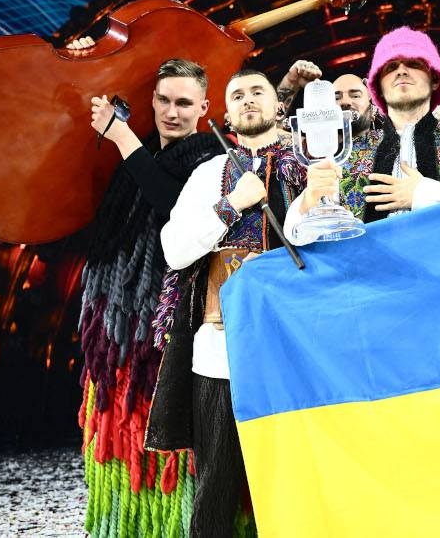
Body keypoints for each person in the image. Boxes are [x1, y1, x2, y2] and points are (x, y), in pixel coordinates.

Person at [148, 68, 306, 537]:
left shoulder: (311, 163)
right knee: (215, 484)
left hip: (296, 349)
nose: (248, 99)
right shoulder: (209, 174)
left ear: (279, 105)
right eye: (237, 94)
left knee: (293, 481)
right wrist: (231, 205)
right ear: (226, 112)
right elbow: (175, 249)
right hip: (220, 352)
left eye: (258, 91)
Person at [77, 57, 221, 538]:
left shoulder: (210, 157)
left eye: (184, 102)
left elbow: (173, 207)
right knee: (125, 427)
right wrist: (80, 60)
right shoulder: (137, 155)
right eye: (164, 100)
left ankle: (177, 527)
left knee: (172, 431)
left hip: (166, 324)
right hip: (119, 325)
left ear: (204, 107)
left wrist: (123, 138)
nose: (172, 112)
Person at [286, 27, 440, 238]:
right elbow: (295, 235)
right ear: (378, 87)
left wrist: (422, 195)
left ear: (435, 79)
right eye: (391, 67)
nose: (402, 71)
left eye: (414, 63)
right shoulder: (346, 157)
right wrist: (310, 200)